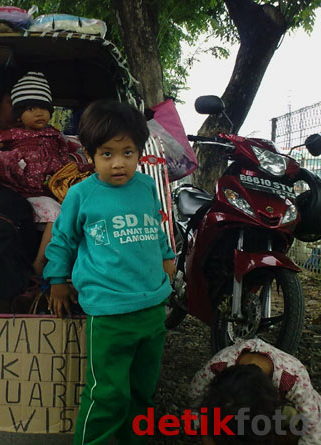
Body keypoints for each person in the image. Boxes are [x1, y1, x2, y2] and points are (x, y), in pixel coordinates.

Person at [43, 99, 176, 444]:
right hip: (109, 313)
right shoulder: (81, 194)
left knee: (143, 393)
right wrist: (57, 281)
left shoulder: (146, 187)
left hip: (152, 309)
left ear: (139, 152)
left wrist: (167, 257)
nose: (119, 163)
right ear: (89, 154)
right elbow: (62, 240)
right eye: (107, 154)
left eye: (128, 152)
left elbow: (156, 229)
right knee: (107, 395)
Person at [0, 71, 91, 274]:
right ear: (18, 113)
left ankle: (40, 262)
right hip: (15, 183)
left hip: (43, 188)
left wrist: (70, 166)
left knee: (58, 213)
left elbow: (72, 155)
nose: (38, 114)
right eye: (31, 108)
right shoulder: (6, 136)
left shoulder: (56, 135)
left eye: (43, 109)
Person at [190, 338, 321, 444]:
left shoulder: (293, 378)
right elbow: (194, 400)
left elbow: (313, 430)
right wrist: (199, 427)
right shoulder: (216, 368)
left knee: (296, 421)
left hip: (282, 413)